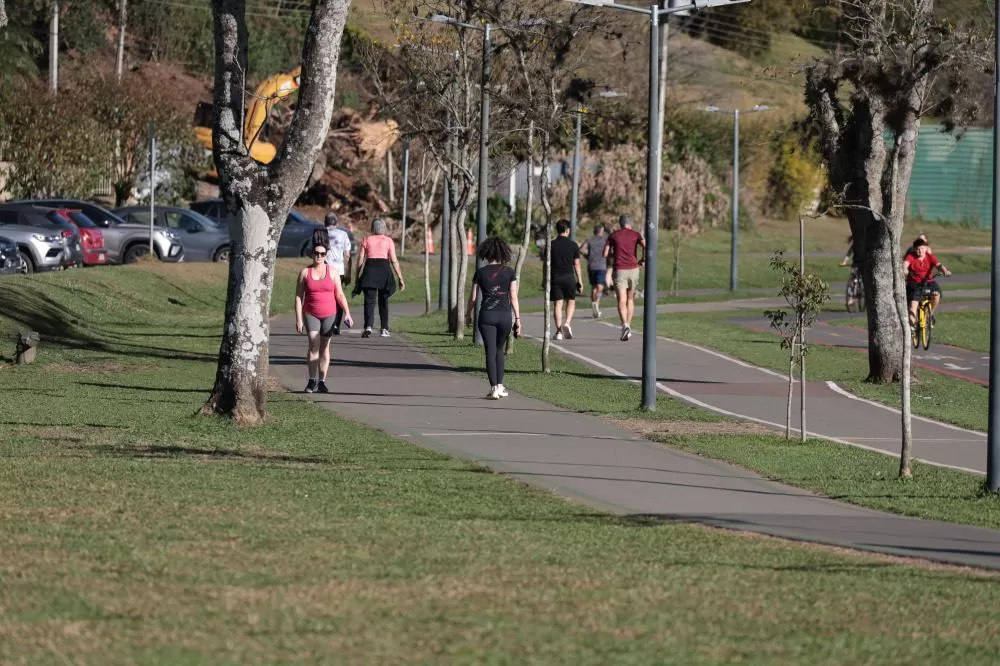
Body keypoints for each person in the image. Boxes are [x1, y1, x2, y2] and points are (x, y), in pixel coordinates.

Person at [465, 237, 522, 400]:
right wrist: (518, 318)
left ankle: (494, 388)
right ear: (503, 252)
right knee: (499, 351)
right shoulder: (509, 272)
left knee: (490, 351)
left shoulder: (481, 272)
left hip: (487, 316)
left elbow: (473, 297)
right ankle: (501, 385)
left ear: (486, 253)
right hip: (505, 316)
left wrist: (468, 314)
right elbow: (513, 296)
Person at [294, 243, 353, 393]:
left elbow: (339, 294)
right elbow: (299, 297)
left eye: (322, 254)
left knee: (325, 347)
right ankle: (311, 380)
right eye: (316, 253)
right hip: (311, 313)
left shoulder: (332, 272)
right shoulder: (305, 273)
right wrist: (299, 319)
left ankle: (322, 381)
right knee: (313, 345)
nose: (319, 256)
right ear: (312, 254)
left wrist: (347, 312)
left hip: (329, 314)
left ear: (326, 255)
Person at [354, 217, 405, 338]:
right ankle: (384, 329)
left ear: (372, 228)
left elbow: (360, 259)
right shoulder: (388, 241)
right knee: (383, 301)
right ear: (384, 228)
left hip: (370, 270)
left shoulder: (366, 239)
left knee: (369, 301)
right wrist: (400, 278)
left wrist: (357, 275)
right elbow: (394, 261)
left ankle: (368, 326)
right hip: (384, 271)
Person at [603, 214, 645, 342]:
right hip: (633, 269)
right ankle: (629, 324)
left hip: (620, 269)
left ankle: (625, 325)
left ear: (620, 223)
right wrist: (643, 259)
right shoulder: (636, 234)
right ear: (630, 223)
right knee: (630, 298)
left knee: (621, 299)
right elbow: (645, 245)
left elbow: (605, 253)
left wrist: (613, 252)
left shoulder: (613, 235)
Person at [903, 238, 951, 327]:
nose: (920, 250)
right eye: (917, 249)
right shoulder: (911, 256)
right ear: (914, 249)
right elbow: (905, 264)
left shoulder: (930, 257)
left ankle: (930, 313)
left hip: (928, 282)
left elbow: (939, 265)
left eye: (921, 248)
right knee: (913, 307)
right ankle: (912, 328)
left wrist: (945, 271)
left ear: (926, 249)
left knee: (936, 294)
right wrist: (905, 269)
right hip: (914, 285)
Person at [548, 219, 583, 340]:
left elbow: (546, 264)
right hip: (569, 277)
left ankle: (559, 332)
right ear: (567, 230)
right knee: (571, 301)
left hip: (555, 278)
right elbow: (577, 264)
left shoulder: (551, 245)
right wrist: (580, 280)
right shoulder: (573, 245)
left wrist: (545, 279)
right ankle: (567, 323)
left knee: (558, 304)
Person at [323, 212, 353, 335]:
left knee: (325, 296)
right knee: (338, 296)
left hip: (323, 269)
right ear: (337, 223)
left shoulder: (319, 233)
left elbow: (310, 251)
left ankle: (325, 323)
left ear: (325, 222)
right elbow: (347, 255)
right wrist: (348, 273)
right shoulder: (343, 234)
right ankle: (335, 324)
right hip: (339, 270)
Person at [580, 223, 608, 318]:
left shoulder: (590, 240)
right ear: (601, 231)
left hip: (592, 266)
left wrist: (587, 256)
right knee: (599, 287)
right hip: (600, 266)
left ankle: (595, 308)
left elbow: (581, 249)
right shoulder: (604, 240)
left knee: (594, 287)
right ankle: (595, 304)